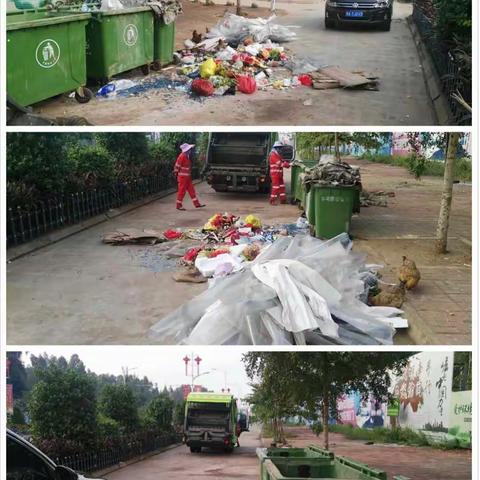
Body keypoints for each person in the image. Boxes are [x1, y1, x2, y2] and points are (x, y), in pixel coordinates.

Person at [174, 143, 205, 211]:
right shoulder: (182, 156)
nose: (190, 150)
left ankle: (197, 204)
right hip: (183, 177)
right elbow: (177, 166)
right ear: (187, 150)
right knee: (182, 191)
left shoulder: (186, 156)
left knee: (192, 190)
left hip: (187, 177)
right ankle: (178, 205)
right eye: (189, 149)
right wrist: (176, 173)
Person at [269, 140, 290, 205]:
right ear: (276, 148)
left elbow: (283, 162)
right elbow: (280, 163)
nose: (281, 149)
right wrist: (288, 165)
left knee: (282, 187)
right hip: (275, 174)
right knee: (276, 187)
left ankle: (283, 200)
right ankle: (272, 201)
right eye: (280, 148)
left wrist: (288, 163)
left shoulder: (277, 155)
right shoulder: (273, 155)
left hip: (279, 174)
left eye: (281, 148)